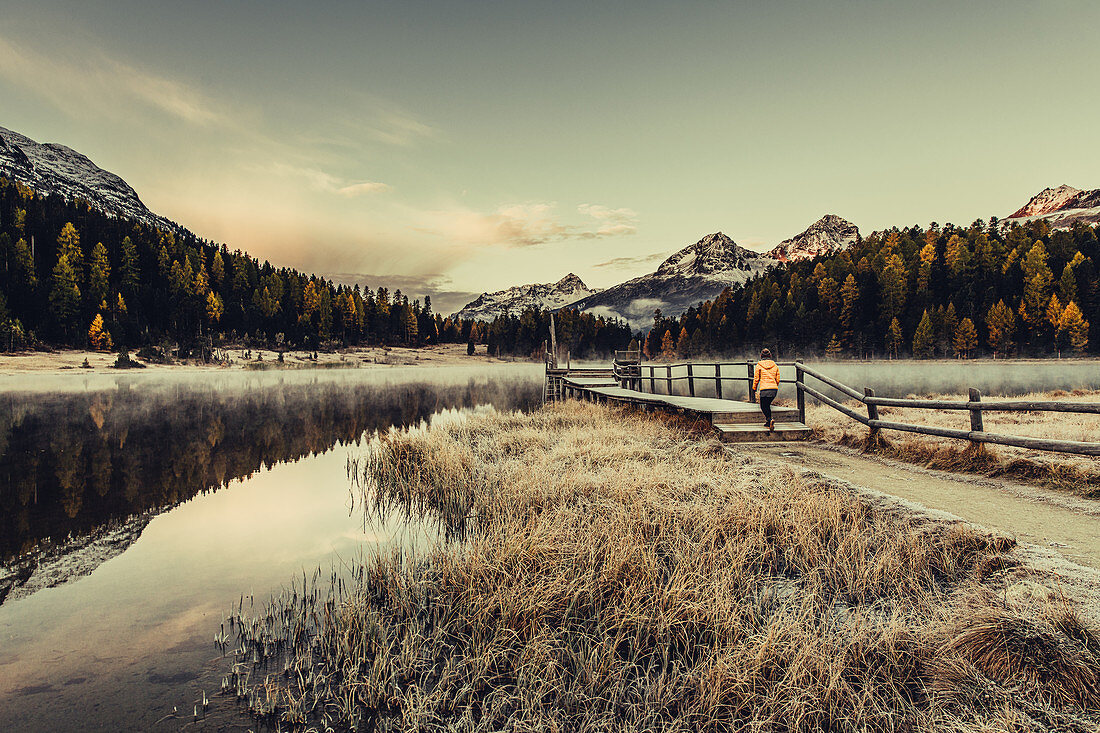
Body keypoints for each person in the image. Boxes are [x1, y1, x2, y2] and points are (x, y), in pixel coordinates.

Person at [752, 348, 780, 430]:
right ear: (770, 356)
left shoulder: (759, 365)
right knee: (767, 405)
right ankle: (769, 422)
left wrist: (754, 388)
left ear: (761, 356)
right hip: (774, 389)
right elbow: (777, 379)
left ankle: (769, 419)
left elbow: (756, 379)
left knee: (763, 406)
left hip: (764, 389)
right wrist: (775, 385)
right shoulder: (775, 365)